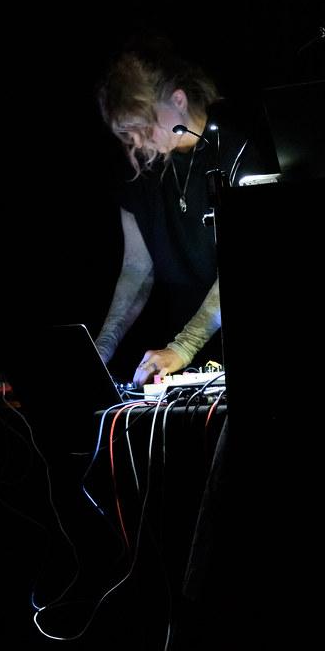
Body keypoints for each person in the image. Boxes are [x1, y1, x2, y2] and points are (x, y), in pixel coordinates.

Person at [95, 35, 269, 388]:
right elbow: (136, 268)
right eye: (128, 134)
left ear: (178, 100)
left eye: (143, 127)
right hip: (183, 361)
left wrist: (183, 346)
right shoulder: (144, 168)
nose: (138, 143)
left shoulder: (240, 150)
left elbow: (247, 261)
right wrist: (100, 350)